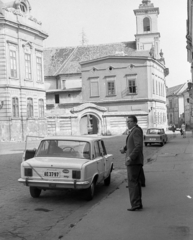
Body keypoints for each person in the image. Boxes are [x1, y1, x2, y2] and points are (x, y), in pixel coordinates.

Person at [120, 115, 144, 211]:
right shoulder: (134, 130)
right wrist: (125, 148)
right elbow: (132, 144)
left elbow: (138, 146)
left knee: (132, 183)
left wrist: (130, 157)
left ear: (134, 122)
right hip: (134, 161)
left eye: (130, 121)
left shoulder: (136, 130)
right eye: (127, 121)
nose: (128, 123)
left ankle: (135, 204)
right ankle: (137, 204)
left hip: (134, 161)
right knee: (136, 182)